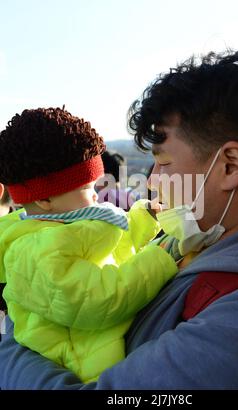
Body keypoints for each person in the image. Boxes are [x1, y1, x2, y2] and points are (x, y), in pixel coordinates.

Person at [1, 47, 238, 389]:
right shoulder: (183, 242)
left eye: (165, 162)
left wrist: (11, 338)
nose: (153, 180)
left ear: (229, 165)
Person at [0, 107, 178, 383]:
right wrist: (159, 259)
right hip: (78, 365)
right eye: (87, 189)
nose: (96, 197)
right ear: (46, 198)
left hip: (97, 353)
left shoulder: (68, 225)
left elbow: (114, 249)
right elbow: (97, 300)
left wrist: (145, 218)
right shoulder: (32, 250)